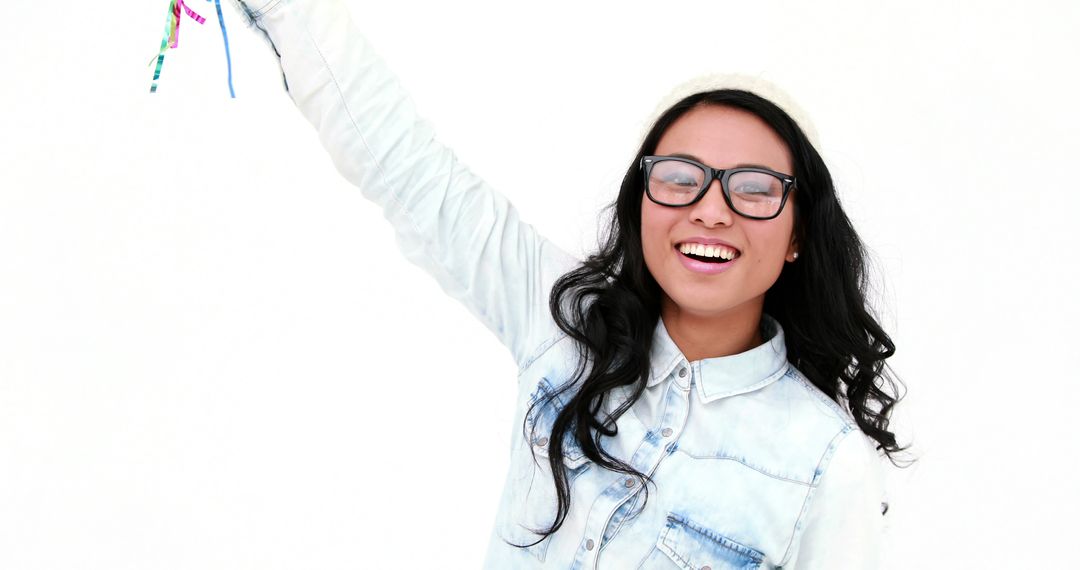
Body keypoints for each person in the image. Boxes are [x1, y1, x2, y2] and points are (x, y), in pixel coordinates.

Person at [226, 0, 909, 567]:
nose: (711, 207)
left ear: (797, 235)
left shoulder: (827, 464)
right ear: (641, 203)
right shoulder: (566, 323)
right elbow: (407, 168)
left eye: (754, 189)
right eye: (679, 178)